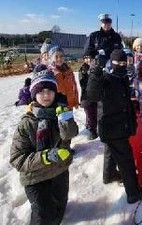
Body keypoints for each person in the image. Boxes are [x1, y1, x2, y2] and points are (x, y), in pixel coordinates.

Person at [10, 67, 78, 225]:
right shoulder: (27, 123)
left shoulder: (60, 113)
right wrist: (45, 157)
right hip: (35, 178)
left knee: (60, 205)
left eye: (50, 90)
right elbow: (17, 159)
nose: (46, 95)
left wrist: (65, 117)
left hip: (60, 171)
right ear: (34, 95)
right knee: (43, 215)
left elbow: (70, 134)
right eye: (41, 91)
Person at [86, 49, 142, 203]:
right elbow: (92, 95)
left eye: (125, 62)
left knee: (111, 151)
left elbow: (124, 98)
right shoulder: (106, 78)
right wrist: (95, 71)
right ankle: (133, 193)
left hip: (119, 126)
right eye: (118, 63)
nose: (122, 65)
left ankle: (108, 175)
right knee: (126, 160)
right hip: (112, 126)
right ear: (111, 63)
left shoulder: (122, 77)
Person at [83, 13, 122, 182]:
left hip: (114, 74)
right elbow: (87, 54)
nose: (106, 23)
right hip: (99, 76)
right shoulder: (94, 36)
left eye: (108, 21)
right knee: (101, 107)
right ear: (100, 22)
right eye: (104, 21)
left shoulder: (116, 36)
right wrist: (94, 64)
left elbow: (121, 52)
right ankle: (100, 130)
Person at [48, 45, 79, 110]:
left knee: (69, 120)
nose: (59, 59)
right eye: (56, 56)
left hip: (69, 104)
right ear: (51, 58)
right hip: (56, 105)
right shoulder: (49, 71)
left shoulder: (69, 71)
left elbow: (74, 87)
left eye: (61, 56)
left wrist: (75, 101)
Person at [78, 54, 98, 140]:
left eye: (91, 58)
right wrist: (88, 73)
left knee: (96, 113)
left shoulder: (97, 68)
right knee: (90, 114)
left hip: (96, 96)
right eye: (86, 58)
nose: (89, 60)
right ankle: (91, 130)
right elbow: (83, 83)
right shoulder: (83, 69)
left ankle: (94, 127)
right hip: (86, 96)